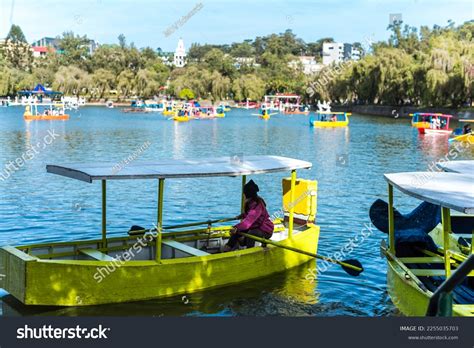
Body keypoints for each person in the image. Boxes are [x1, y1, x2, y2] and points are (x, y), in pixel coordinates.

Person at [223, 180, 274, 252]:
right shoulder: (251, 202)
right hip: (255, 226)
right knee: (237, 232)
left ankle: (249, 251)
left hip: (265, 230)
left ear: (247, 194)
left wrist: (236, 227)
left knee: (251, 233)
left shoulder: (257, 205)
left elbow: (248, 222)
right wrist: (242, 215)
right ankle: (226, 249)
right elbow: (250, 215)